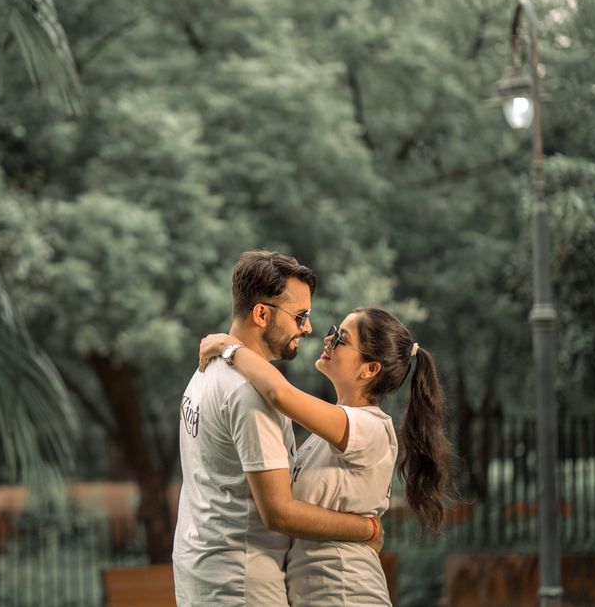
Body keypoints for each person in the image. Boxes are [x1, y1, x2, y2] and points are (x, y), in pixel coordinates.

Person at [199, 306, 452, 606]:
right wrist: (364, 527)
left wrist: (231, 347)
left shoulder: (370, 427)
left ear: (369, 369)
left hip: (347, 593)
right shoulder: (328, 433)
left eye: (341, 339)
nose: (327, 340)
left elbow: (279, 393)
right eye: (333, 332)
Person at [173, 251, 383, 606]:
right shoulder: (250, 393)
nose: (308, 328)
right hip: (242, 582)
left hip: (200, 570)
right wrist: (368, 528)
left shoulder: (206, 370)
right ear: (261, 313)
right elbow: (279, 512)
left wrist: (229, 346)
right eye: (300, 316)